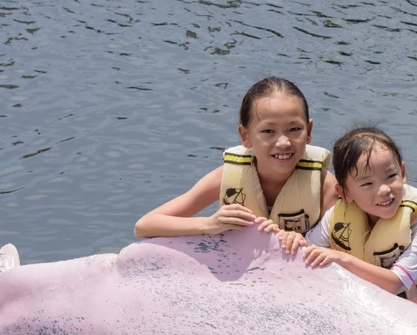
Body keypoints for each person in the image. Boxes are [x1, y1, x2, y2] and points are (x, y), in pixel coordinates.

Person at [269, 126, 417, 317]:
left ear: (403, 171)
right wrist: (291, 240)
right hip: (370, 316)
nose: (383, 190)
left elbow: (395, 282)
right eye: (367, 184)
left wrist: (342, 258)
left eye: (391, 176)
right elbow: (306, 255)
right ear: (344, 192)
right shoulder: (336, 216)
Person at [134, 77, 337, 238]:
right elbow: (144, 226)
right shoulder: (227, 176)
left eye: (294, 129)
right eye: (268, 131)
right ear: (245, 136)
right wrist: (210, 224)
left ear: (309, 131)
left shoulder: (325, 185)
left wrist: (303, 244)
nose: (283, 142)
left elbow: (338, 250)